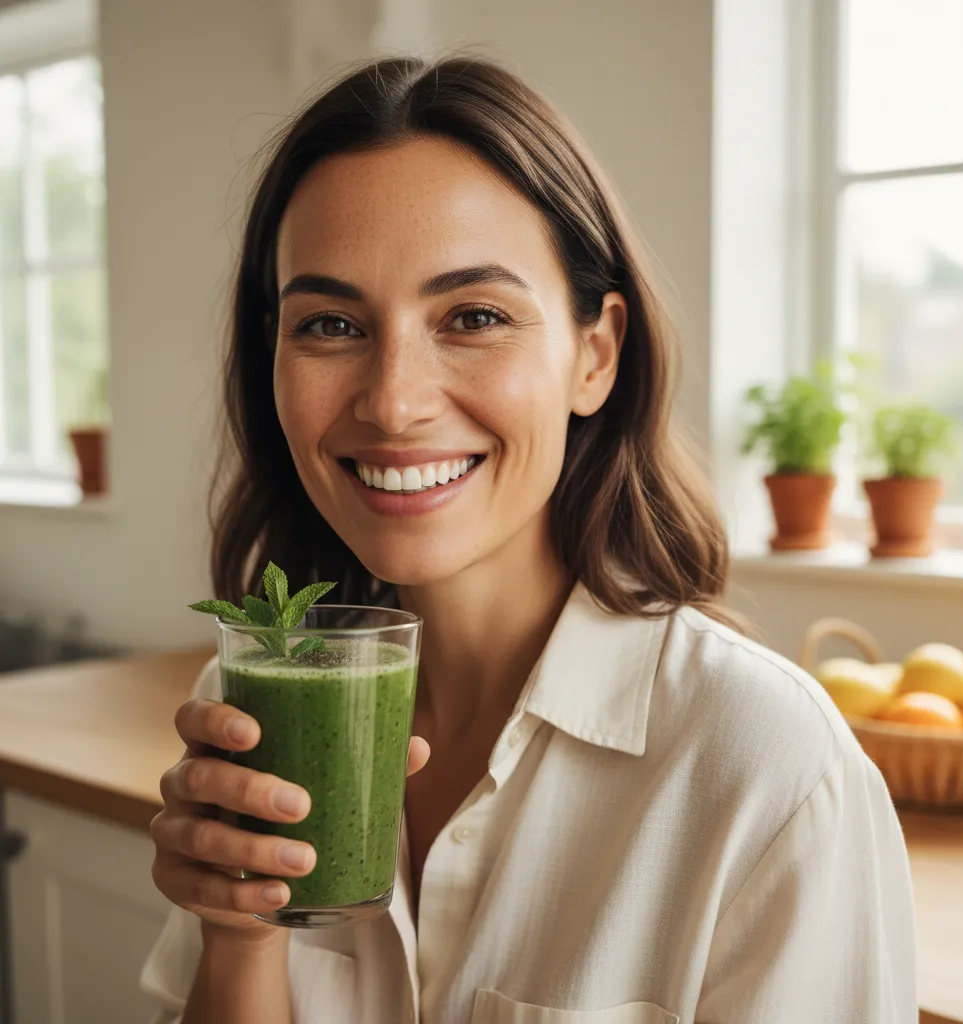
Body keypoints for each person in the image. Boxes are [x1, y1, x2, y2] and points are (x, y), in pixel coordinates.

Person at [141, 55, 917, 1024]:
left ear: (593, 354)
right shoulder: (254, 701)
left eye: (473, 316)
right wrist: (241, 938)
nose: (392, 400)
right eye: (332, 323)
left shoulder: (765, 766)